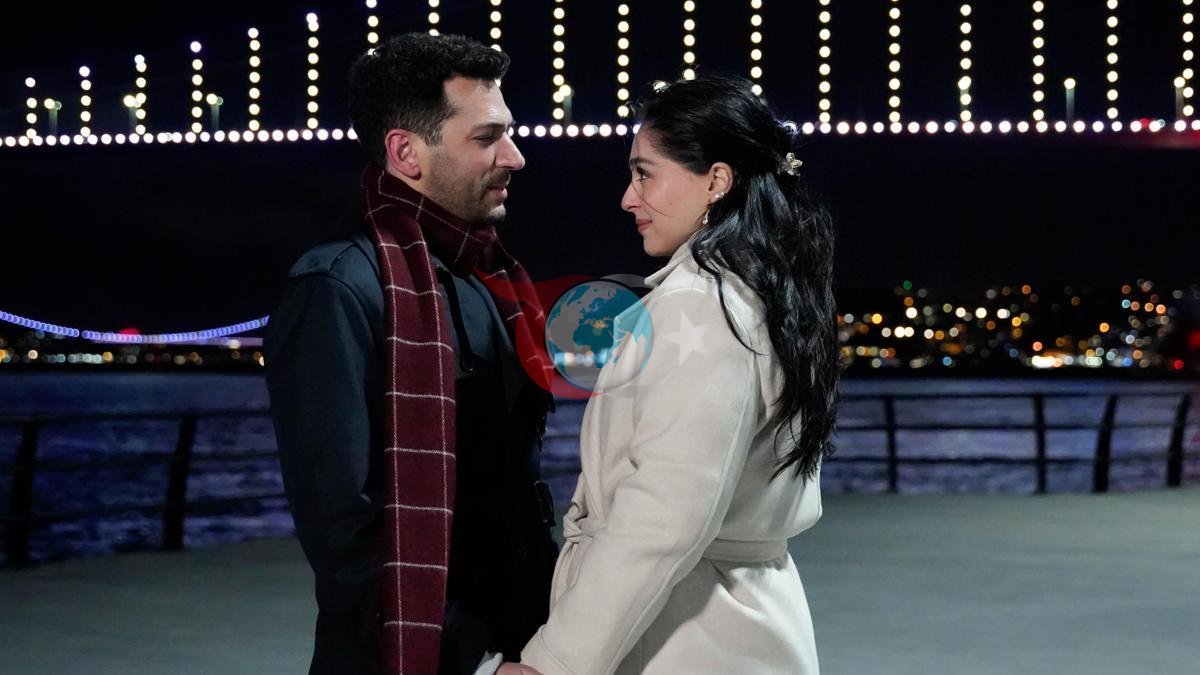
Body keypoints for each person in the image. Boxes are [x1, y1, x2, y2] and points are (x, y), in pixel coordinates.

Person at [520, 74, 841, 674]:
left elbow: (664, 517)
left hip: (685, 633)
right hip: (737, 621)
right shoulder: (761, 295)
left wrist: (555, 662)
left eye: (645, 174)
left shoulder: (699, 308)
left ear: (715, 181)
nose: (628, 197)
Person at [264, 33, 556, 675]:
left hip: (530, 645)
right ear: (405, 152)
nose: (515, 156)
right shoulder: (336, 287)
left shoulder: (491, 280)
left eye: (509, 133)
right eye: (487, 137)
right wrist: (474, 661)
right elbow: (344, 529)